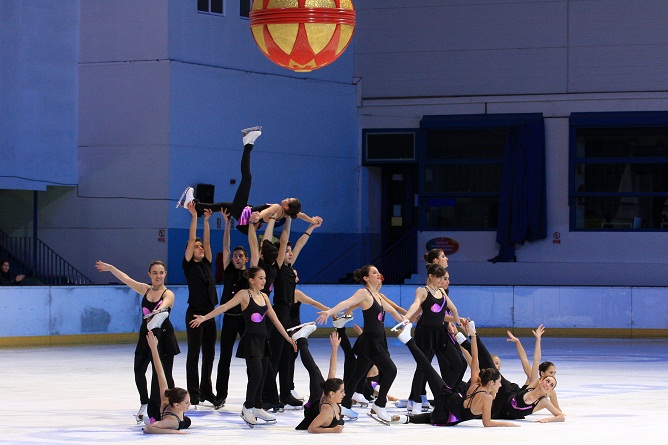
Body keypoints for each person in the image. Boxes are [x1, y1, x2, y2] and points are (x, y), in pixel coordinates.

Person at [189, 266, 297, 427]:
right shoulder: (244, 294)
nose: (264, 281)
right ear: (251, 280)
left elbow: (275, 320)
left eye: (265, 278)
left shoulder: (265, 297)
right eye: (261, 278)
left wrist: (288, 338)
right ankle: (248, 407)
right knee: (257, 373)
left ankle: (257, 406)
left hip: (263, 341)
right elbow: (224, 307)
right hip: (251, 341)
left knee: (264, 373)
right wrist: (204, 317)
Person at [316, 264, 407, 424]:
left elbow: (393, 311)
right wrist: (329, 312)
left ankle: (344, 405)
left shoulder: (377, 296)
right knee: (391, 370)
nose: (378, 274)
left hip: (376, 340)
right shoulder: (364, 293)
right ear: (366, 278)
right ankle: (379, 405)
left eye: (378, 272)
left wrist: (406, 322)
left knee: (357, 375)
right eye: (374, 272)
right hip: (372, 342)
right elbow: (347, 302)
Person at [95, 260, 179, 424]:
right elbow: (126, 279)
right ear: (149, 275)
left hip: (163, 337)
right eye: (154, 273)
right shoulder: (145, 289)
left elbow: (167, 305)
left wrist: (159, 311)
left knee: (160, 376)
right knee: (139, 369)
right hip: (146, 335)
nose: (158, 276)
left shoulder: (168, 294)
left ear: (165, 274)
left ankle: (159, 412)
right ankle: (145, 402)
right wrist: (111, 267)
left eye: (161, 272)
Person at [393, 320, 519, 427]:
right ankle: (406, 419)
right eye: (498, 383)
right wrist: (508, 424)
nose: (500, 385)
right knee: (431, 372)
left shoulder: (475, 384)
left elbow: (475, 358)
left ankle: (409, 341)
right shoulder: (487, 398)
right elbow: (487, 423)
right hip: (445, 419)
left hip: (446, 403)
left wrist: (473, 335)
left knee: (428, 368)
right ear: (491, 382)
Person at [262, 217, 323, 410]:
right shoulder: (279, 268)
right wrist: (287, 219)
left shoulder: (289, 268)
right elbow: (285, 241)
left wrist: (311, 226)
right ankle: (269, 395)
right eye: (285, 251)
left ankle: (286, 391)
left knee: (289, 356)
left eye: (289, 251)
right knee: (276, 357)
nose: (289, 253)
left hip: (290, 314)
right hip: (280, 311)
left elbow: (300, 244)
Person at [403, 264, 466, 415]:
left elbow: (451, 310)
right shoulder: (422, 291)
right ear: (431, 276)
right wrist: (406, 318)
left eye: (443, 278)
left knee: (458, 363)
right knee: (424, 366)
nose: (442, 280)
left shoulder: (442, 292)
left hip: (440, 333)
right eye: (439, 277)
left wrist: (458, 321)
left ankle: (447, 393)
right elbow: (416, 305)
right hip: (425, 333)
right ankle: (416, 401)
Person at [213, 209, 250, 409]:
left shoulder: (250, 274)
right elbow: (225, 246)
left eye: (240, 256)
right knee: (224, 358)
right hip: (228, 317)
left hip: (245, 320)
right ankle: (221, 395)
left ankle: (253, 395)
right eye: (235, 256)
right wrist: (227, 224)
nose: (236, 258)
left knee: (251, 358)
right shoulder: (228, 270)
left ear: (246, 259)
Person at [182, 202, 217, 406]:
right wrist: (194, 217)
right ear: (189, 250)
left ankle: (206, 390)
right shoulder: (188, 264)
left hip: (210, 314)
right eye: (196, 247)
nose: (200, 247)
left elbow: (208, 242)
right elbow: (192, 238)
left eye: (200, 246)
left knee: (209, 355)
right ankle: (193, 392)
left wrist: (206, 221)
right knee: (194, 355)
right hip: (195, 314)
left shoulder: (206, 262)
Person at [294, 331, 344, 433]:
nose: (344, 394)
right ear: (332, 393)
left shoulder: (332, 399)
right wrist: (333, 430)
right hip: (316, 401)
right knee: (314, 370)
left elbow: (332, 372)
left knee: (315, 371)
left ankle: (302, 341)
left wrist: (335, 347)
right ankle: (300, 339)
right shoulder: (327, 410)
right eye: (342, 391)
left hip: (322, 398)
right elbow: (311, 429)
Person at [143, 331, 191, 434]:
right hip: (160, 416)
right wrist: (174, 432)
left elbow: (160, 373)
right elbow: (148, 429)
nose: (189, 404)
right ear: (176, 405)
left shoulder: (166, 399)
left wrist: (154, 348)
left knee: (162, 376)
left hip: (161, 412)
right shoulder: (172, 422)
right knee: (186, 422)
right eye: (186, 402)